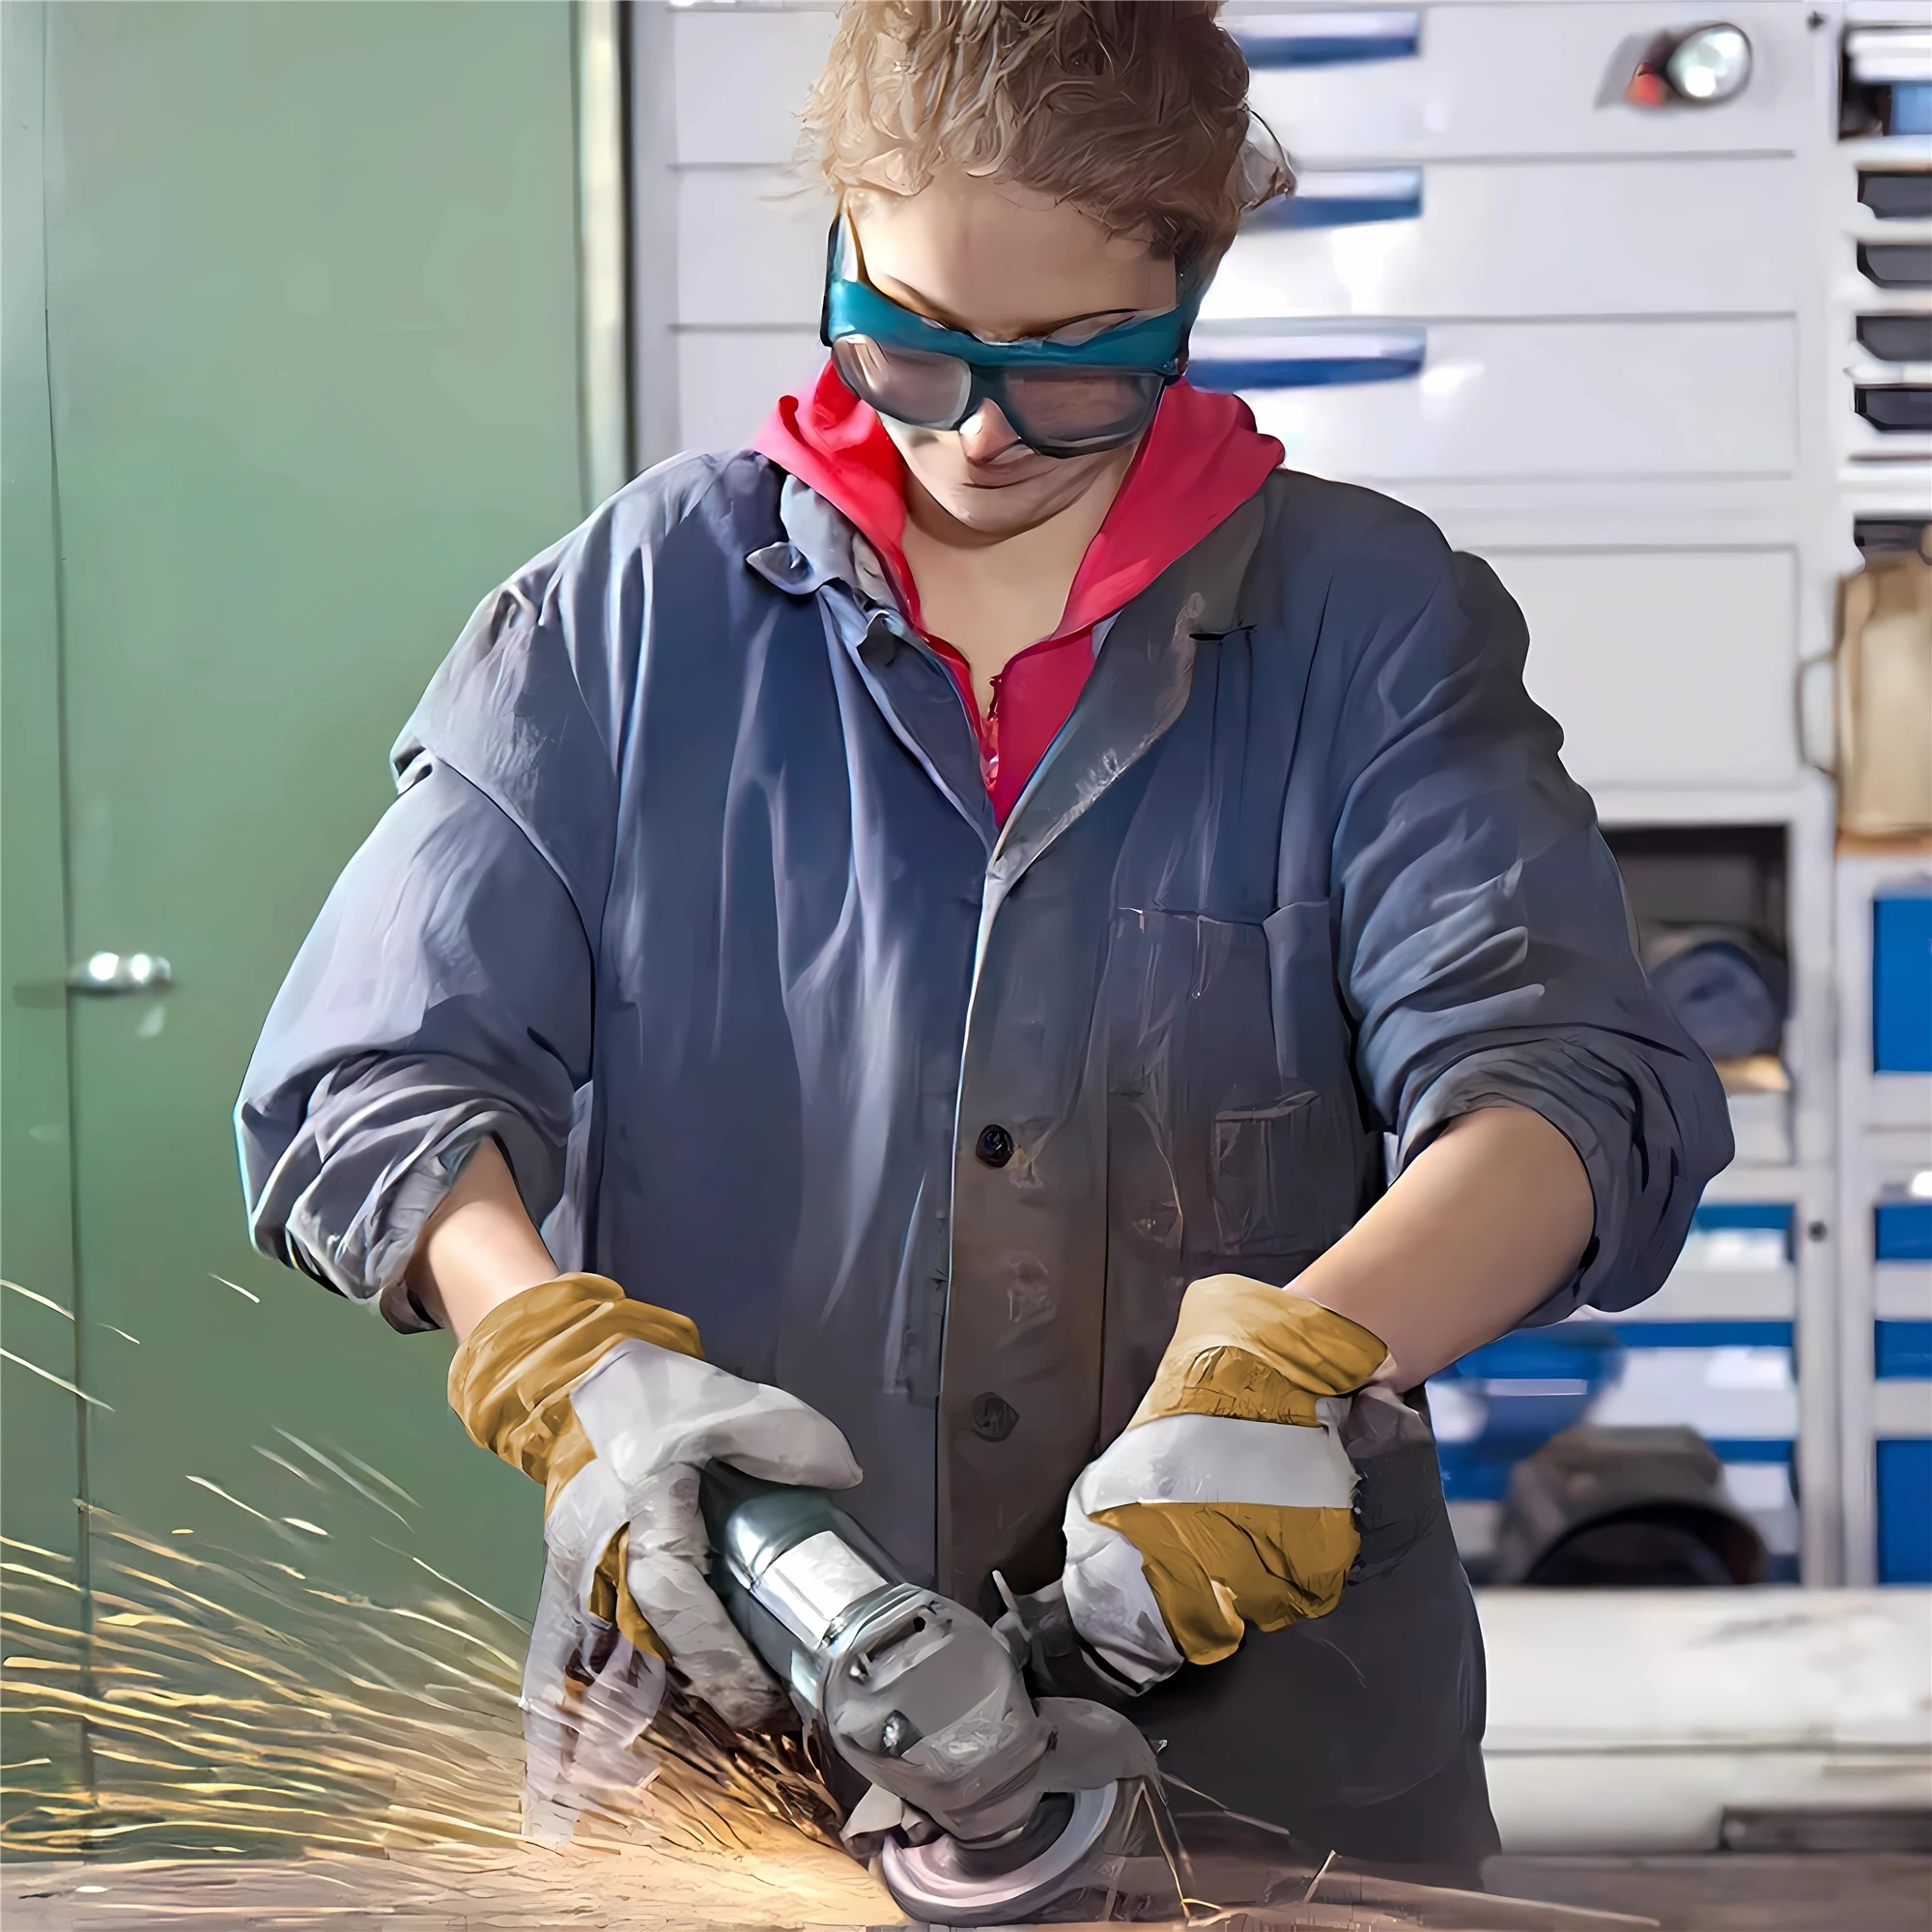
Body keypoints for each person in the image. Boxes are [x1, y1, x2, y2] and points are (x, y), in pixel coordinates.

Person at [238, 0, 1731, 1880]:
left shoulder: (1372, 625)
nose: (974, 430)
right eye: (907, 345)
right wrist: (562, 1361)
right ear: (838, 247)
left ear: (1185, 290)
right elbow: (369, 1071)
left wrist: (1301, 1364)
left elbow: (1565, 1090)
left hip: (1271, 1792)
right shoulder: (635, 612)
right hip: (719, 1772)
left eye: (1063, 366)